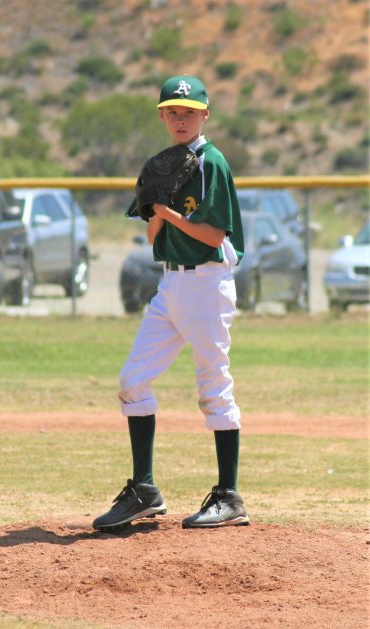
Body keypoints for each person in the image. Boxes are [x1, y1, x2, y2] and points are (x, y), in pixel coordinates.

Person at [93, 75, 249, 530]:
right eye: (172, 111)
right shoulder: (165, 162)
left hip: (207, 284)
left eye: (188, 111)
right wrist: (155, 214)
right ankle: (144, 489)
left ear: (205, 114)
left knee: (214, 389)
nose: (180, 119)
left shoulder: (212, 163)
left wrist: (167, 213)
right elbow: (152, 235)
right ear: (162, 116)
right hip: (171, 287)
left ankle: (229, 496)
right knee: (132, 379)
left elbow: (214, 234)